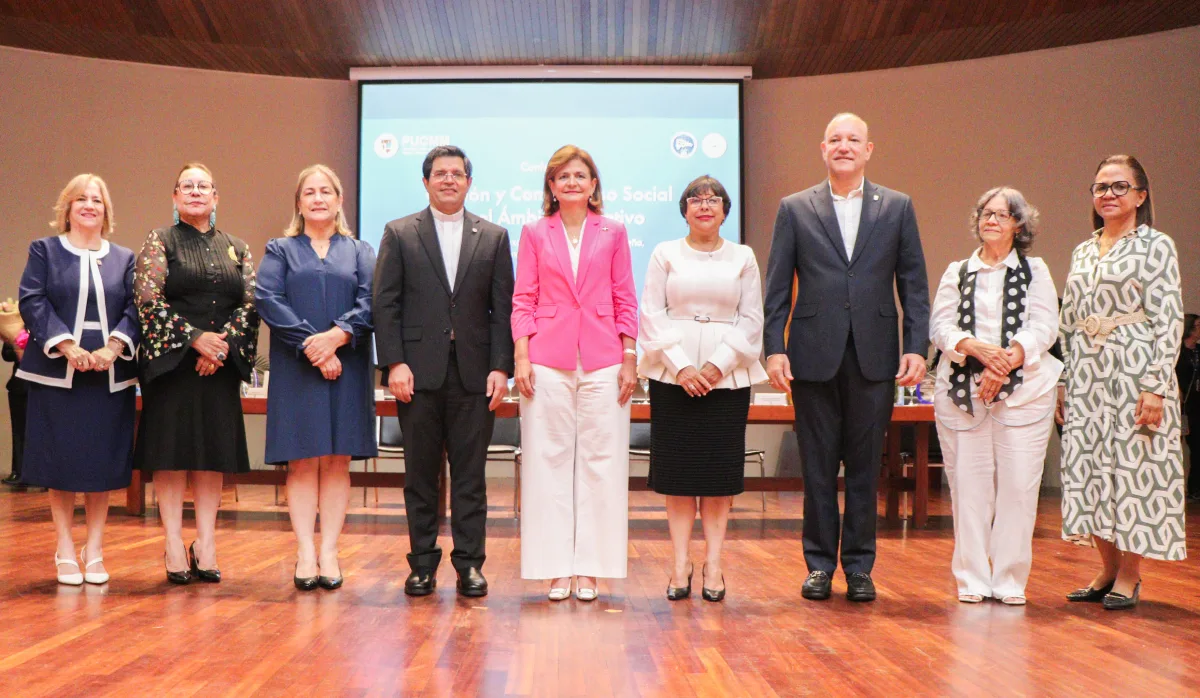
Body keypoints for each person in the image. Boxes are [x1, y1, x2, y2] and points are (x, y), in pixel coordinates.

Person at [763, 113, 930, 602]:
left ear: (869, 149)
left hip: (875, 355)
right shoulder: (795, 207)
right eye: (835, 139)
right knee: (816, 465)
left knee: (863, 466)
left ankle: (859, 567)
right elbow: (776, 286)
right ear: (822, 148)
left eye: (853, 139)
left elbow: (913, 284)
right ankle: (818, 566)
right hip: (812, 354)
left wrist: (916, 347)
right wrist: (774, 348)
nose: (844, 146)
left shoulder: (897, 206)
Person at [374, 146, 514, 598]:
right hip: (415, 374)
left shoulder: (492, 236)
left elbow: (502, 310)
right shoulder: (399, 233)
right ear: (426, 182)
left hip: (475, 377)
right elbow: (385, 303)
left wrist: (501, 368)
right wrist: (394, 362)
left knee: (471, 477)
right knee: (420, 476)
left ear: (469, 182)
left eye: (457, 173)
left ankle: (470, 565)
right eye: (440, 173)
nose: (448, 179)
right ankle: (422, 565)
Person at [512, 144, 638, 602]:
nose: (571, 182)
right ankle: (554, 568)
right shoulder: (533, 232)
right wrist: (521, 358)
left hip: (604, 359)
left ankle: (591, 569)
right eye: (562, 176)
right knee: (547, 462)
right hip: (546, 358)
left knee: (601, 464)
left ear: (593, 184)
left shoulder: (614, 231)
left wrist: (629, 357)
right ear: (550, 185)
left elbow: (626, 297)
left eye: (580, 175)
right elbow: (522, 298)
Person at [1059, 155, 1184, 610]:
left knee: (1133, 473)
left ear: (1140, 195)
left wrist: (1155, 385)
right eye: (1099, 187)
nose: (1107, 194)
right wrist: (1064, 382)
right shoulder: (1083, 249)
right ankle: (1106, 568)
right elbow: (1068, 321)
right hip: (1088, 375)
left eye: (1118, 186)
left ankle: (1130, 576)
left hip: (1134, 370)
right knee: (1089, 467)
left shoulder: (1156, 246)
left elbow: (1169, 317)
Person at [638, 175, 767, 602]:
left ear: (725, 210)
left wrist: (717, 367)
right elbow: (651, 314)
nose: (705, 205)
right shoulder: (664, 253)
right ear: (684, 209)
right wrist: (681, 368)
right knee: (677, 477)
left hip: (726, 379)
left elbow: (752, 320)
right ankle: (679, 564)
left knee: (716, 478)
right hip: (672, 377)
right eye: (696, 199)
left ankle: (714, 564)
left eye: (714, 199)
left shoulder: (743, 256)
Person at [929, 187, 1061, 605]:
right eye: (986, 213)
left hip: (1025, 393)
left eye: (1002, 215)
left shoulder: (1036, 270)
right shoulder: (957, 271)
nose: (992, 220)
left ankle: (1008, 580)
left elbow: (1044, 325)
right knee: (968, 489)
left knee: (1019, 489)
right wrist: (976, 349)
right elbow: (941, 327)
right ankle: (972, 578)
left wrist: (1004, 362)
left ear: (1019, 224)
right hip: (963, 392)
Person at [133, 163, 258, 585]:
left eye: (204, 186)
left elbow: (250, 305)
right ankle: (172, 543)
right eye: (187, 186)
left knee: (211, 458)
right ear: (174, 197)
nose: (196, 192)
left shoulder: (237, 247)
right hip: (172, 367)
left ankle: (205, 544)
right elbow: (147, 299)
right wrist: (194, 340)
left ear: (216, 197)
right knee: (171, 457)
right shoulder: (160, 241)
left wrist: (219, 347)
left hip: (219, 368)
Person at [256, 165, 377, 591]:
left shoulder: (361, 251)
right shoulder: (280, 249)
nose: (319, 198)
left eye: (327, 191)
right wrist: (313, 345)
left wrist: (337, 337)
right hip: (297, 366)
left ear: (340, 200)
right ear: (299, 202)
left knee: (337, 459)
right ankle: (305, 551)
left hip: (348, 364)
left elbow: (370, 302)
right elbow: (267, 298)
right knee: (303, 458)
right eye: (310, 192)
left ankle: (329, 551)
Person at [16, 174, 139, 584]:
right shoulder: (45, 251)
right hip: (57, 374)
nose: (89, 205)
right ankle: (65, 548)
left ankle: (97, 548)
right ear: (66, 208)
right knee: (61, 464)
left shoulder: (125, 258)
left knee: (100, 466)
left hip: (107, 376)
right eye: (81, 199)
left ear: (107, 210)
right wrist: (68, 346)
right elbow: (32, 299)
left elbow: (137, 310)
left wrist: (113, 349)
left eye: (97, 200)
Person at [1175, 313, 1200, 502]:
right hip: (1179, 406)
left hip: (1196, 406)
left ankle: (1194, 489)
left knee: (1197, 448)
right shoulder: (1177, 352)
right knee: (1175, 447)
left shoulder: (1198, 351)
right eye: (1198, 325)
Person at [2, 329, 29, 489]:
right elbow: (6, 355)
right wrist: (16, 344)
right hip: (19, 385)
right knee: (18, 430)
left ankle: (47, 475)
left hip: (46, 386)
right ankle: (18, 472)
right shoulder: (16, 323)